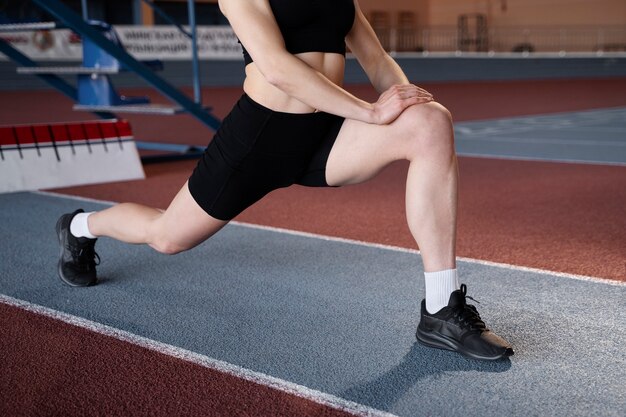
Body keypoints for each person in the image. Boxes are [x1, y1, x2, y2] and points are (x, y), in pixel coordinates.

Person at [56, 0, 513, 360]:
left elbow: (377, 60)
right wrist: (372, 112)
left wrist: (404, 99)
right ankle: (80, 228)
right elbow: (275, 66)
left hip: (325, 134)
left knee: (431, 123)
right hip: (260, 138)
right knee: (167, 237)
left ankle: (441, 310)